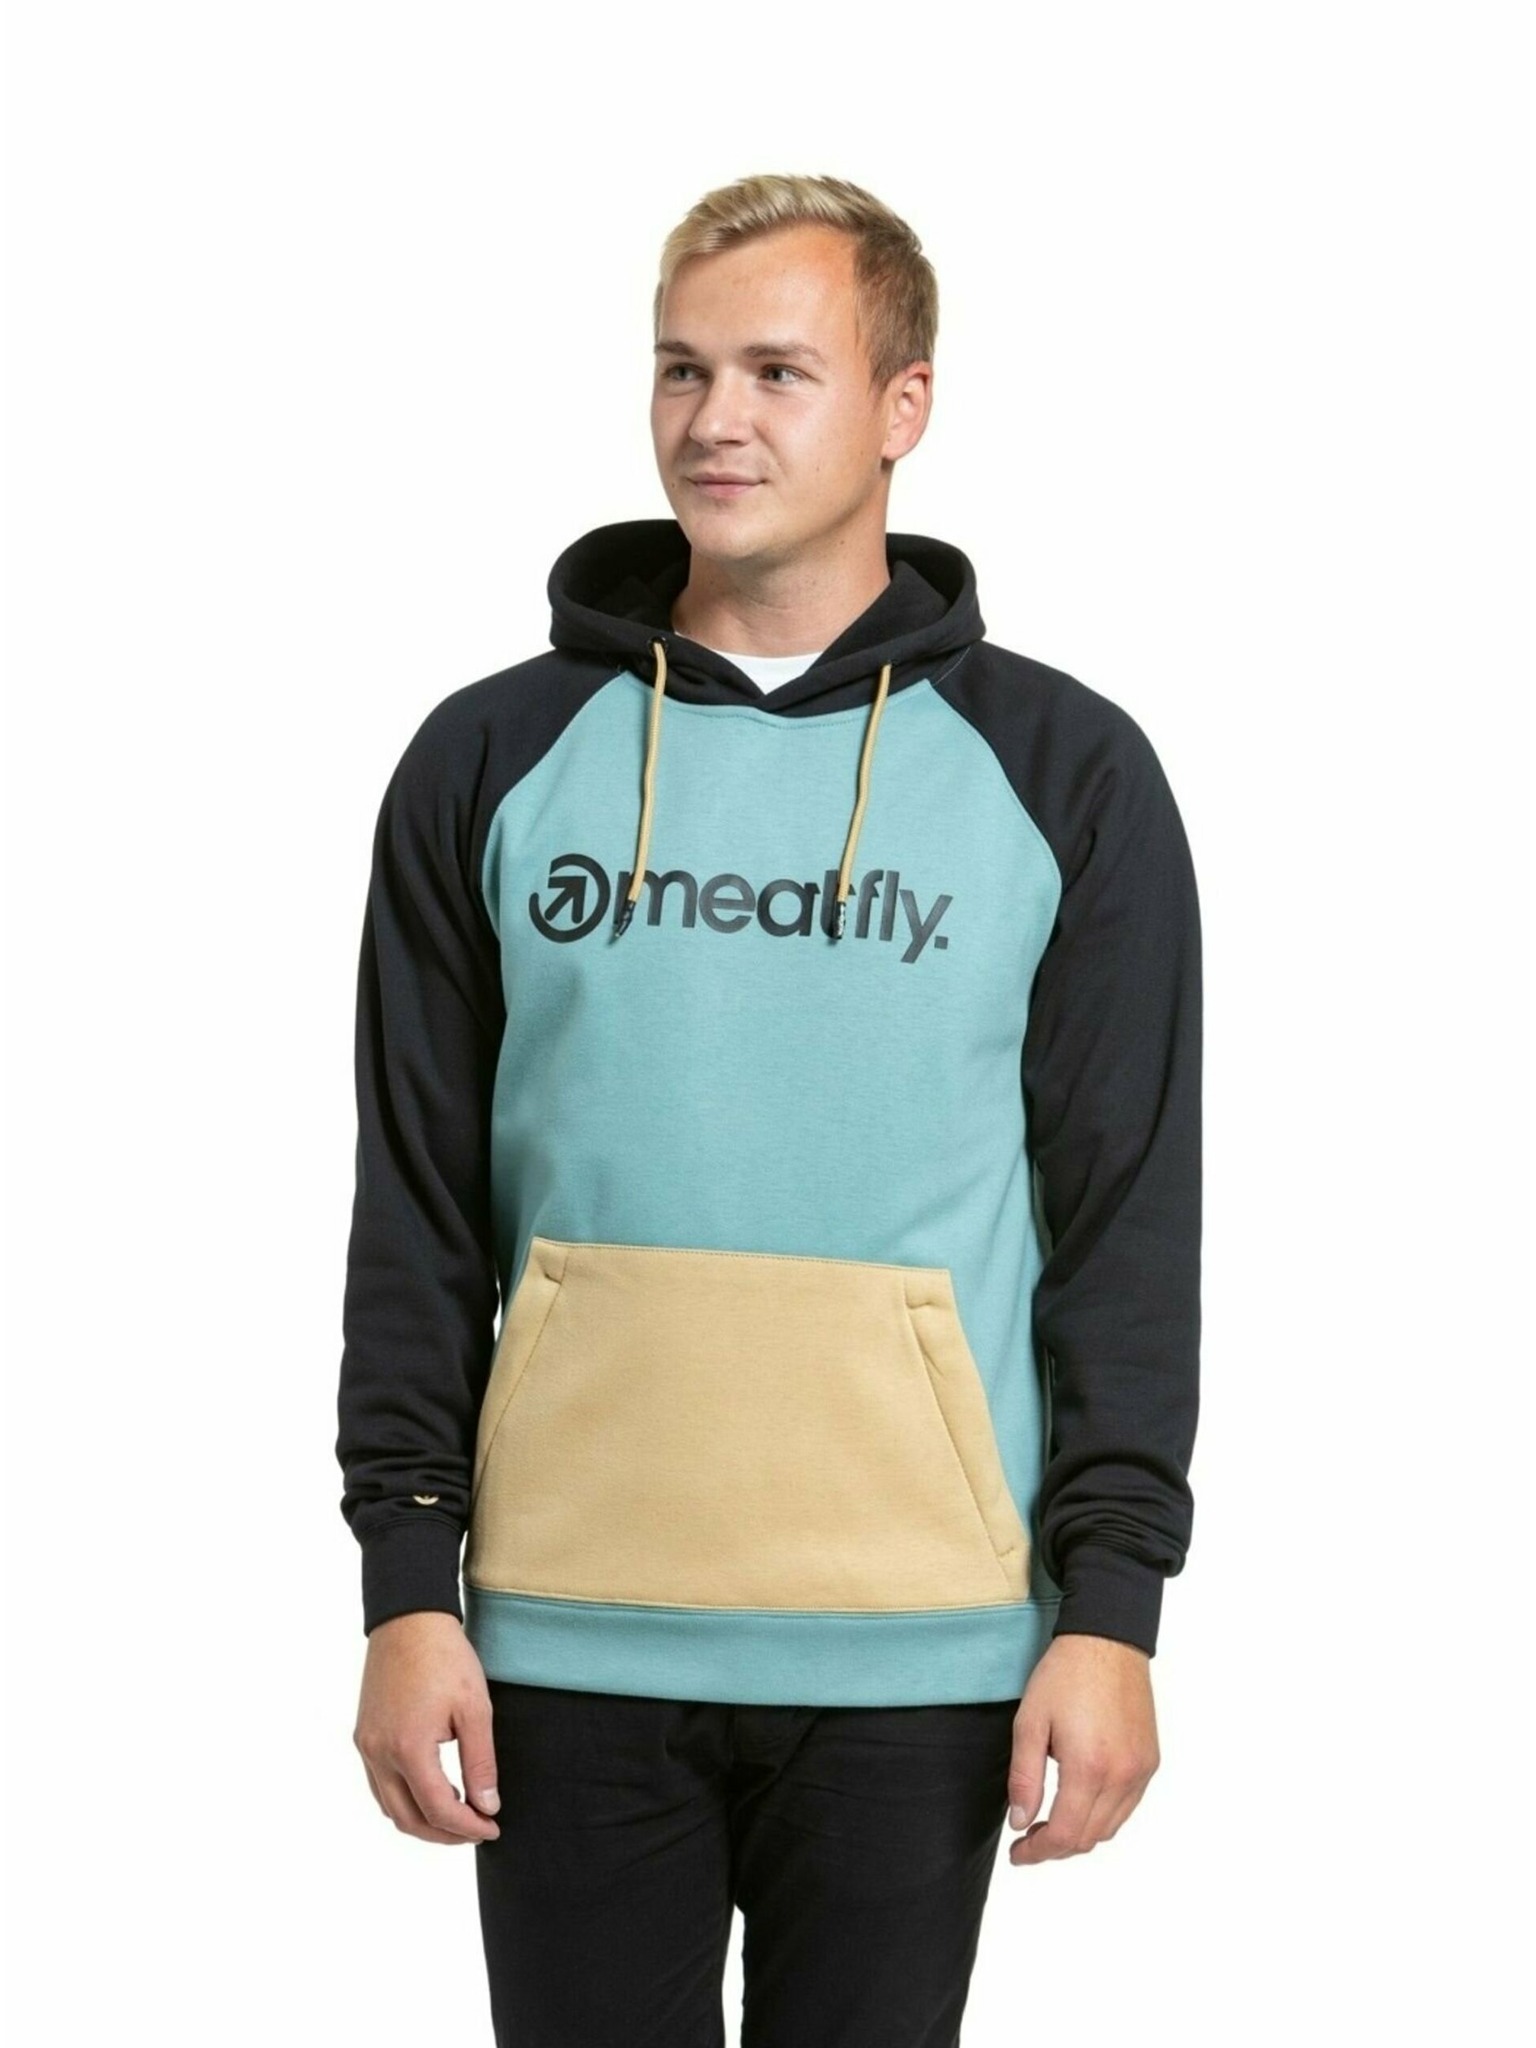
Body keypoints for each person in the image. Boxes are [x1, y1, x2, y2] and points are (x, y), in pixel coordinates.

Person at [336, 171, 1202, 2047]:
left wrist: (1113, 1608)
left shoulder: (1066, 772)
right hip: (563, 1628)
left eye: (778, 372)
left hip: (925, 1640)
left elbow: (1124, 1220)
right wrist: (407, 1583)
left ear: (903, 405)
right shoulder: (492, 757)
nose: (715, 419)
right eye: (683, 368)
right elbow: (417, 1206)